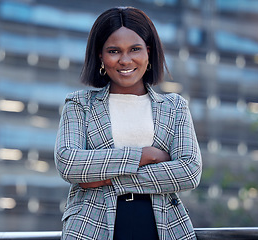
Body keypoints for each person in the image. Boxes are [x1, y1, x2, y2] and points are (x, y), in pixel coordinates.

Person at [54, 6, 202, 240]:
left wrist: (103, 178)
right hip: (91, 227)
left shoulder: (174, 106)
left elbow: (189, 171)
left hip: (163, 227)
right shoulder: (79, 104)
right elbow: (68, 163)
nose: (125, 60)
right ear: (101, 56)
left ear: (148, 52)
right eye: (114, 51)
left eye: (135, 49)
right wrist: (146, 156)